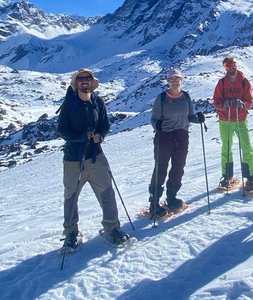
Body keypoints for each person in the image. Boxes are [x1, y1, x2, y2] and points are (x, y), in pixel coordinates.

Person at [57, 68, 130, 250]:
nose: (84, 81)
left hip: (95, 156)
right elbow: (62, 130)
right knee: (71, 196)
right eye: (81, 79)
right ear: (76, 83)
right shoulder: (69, 103)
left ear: (92, 82)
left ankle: (112, 228)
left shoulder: (98, 102)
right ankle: (71, 233)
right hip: (74, 158)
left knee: (107, 192)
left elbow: (105, 125)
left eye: (88, 78)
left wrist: (100, 136)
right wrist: (82, 137)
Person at [147, 69, 206, 219]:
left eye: (177, 79)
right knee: (161, 167)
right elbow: (154, 119)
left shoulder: (186, 96)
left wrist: (198, 119)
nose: (174, 82)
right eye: (171, 79)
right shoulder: (161, 98)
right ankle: (154, 203)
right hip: (164, 136)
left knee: (178, 167)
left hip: (182, 135)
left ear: (181, 80)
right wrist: (156, 125)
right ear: (167, 81)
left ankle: (171, 197)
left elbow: (190, 117)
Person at [213, 56, 253, 192]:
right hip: (225, 119)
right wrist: (223, 105)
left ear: (236, 65)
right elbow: (216, 100)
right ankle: (227, 176)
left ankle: (251, 177)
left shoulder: (244, 82)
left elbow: (249, 100)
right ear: (225, 68)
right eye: (227, 66)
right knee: (226, 148)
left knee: (246, 147)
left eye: (232, 64)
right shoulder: (222, 83)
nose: (231, 68)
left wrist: (243, 104)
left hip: (240, 119)